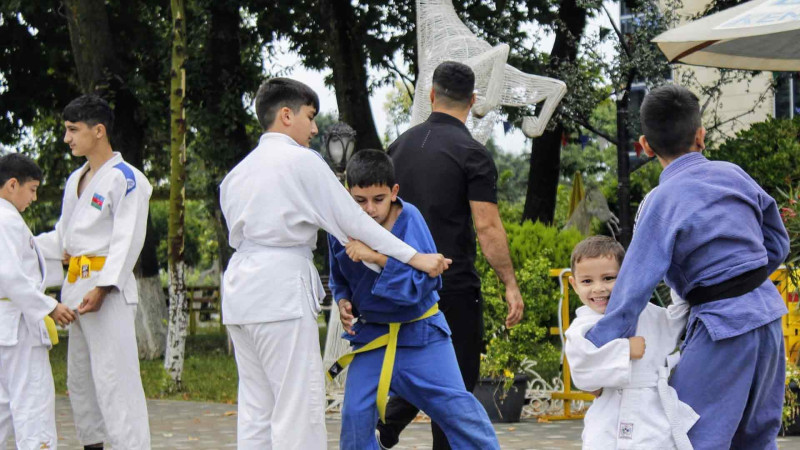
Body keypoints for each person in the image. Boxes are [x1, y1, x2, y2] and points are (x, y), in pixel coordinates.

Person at [219, 78, 451, 450]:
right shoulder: (300, 161)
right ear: (285, 115)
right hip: (279, 289)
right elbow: (353, 221)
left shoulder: (236, 175)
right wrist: (415, 257)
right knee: (297, 408)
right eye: (309, 117)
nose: (314, 129)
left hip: (239, 294)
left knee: (256, 409)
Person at [585, 85, 789, 449]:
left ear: (645, 146)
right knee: (758, 437)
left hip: (721, 326)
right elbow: (777, 242)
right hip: (769, 316)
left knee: (689, 434)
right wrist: (746, 279)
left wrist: (595, 353)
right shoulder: (735, 175)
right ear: (701, 135)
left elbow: (632, 290)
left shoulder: (659, 203)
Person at [379, 61, 524, 449]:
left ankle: (387, 425)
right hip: (452, 284)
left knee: (419, 367)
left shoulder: (396, 148)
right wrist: (510, 283)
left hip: (401, 282)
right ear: (473, 100)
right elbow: (487, 226)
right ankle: (396, 428)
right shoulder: (472, 153)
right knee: (454, 382)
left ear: (431, 95)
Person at [327, 149, 500, 450]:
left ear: (394, 192)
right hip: (372, 339)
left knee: (460, 413)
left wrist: (376, 257)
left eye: (378, 199)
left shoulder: (411, 219)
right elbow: (339, 276)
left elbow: (425, 281)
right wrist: (343, 301)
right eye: (360, 201)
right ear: (348, 195)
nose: (369, 209)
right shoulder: (340, 228)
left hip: (422, 335)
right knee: (355, 417)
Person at [36, 95, 153, 450]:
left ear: (98, 131)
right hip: (76, 291)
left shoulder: (127, 178)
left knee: (116, 381)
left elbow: (127, 239)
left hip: (108, 294)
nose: (67, 138)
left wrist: (104, 288)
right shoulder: (76, 179)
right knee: (82, 383)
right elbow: (64, 237)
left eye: (73, 130)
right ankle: (94, 445)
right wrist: (20, 246)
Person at [564, 236, 698, 449]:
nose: (598, 288)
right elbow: (582, 371)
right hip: (609, 415)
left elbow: (678, 316)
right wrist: (624, 350)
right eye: (587, 281)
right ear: (574, 283)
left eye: (608, 278)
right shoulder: (581, 328)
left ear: (626, 276)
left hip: (651, 414)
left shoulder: (647, 312)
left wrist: (676, 269)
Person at [0, 153, 76, 450]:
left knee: (5, 403)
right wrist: (50, 306)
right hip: (17, 324)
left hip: (8, 322)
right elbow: (8, 273)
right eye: (32, 189)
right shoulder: (6, 219)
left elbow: (28, 253)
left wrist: (61, 249)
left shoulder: (7, 220)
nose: (34, 197)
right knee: (32, 401)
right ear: (12, 185)